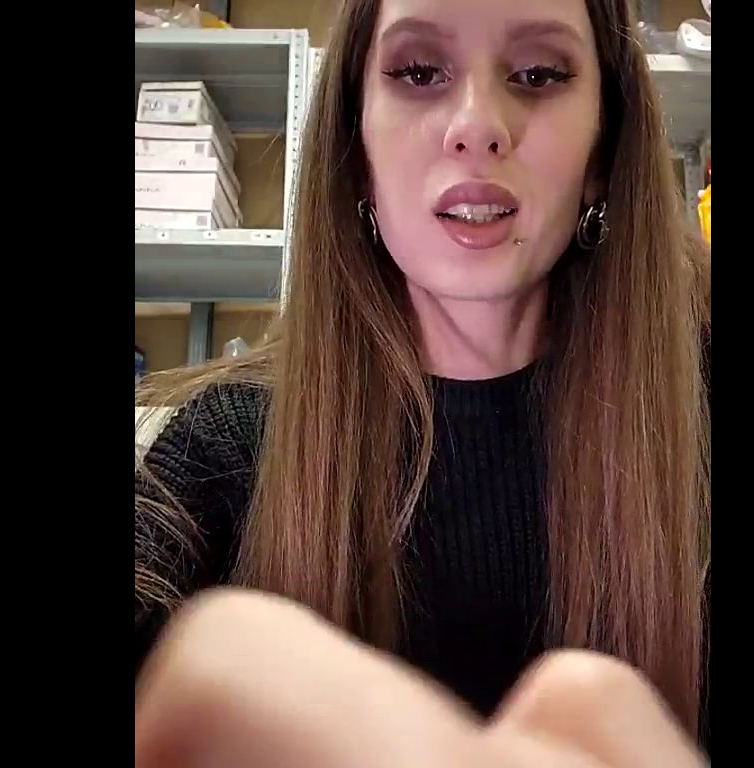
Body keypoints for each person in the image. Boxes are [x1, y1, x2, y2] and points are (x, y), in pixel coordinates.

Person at [135, 0, 711, 764]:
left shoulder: (700, 420)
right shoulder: (219, 450)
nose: (477, 125)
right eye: (417, 72)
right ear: (356, 150)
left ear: (603, 154)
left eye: (539, 74)